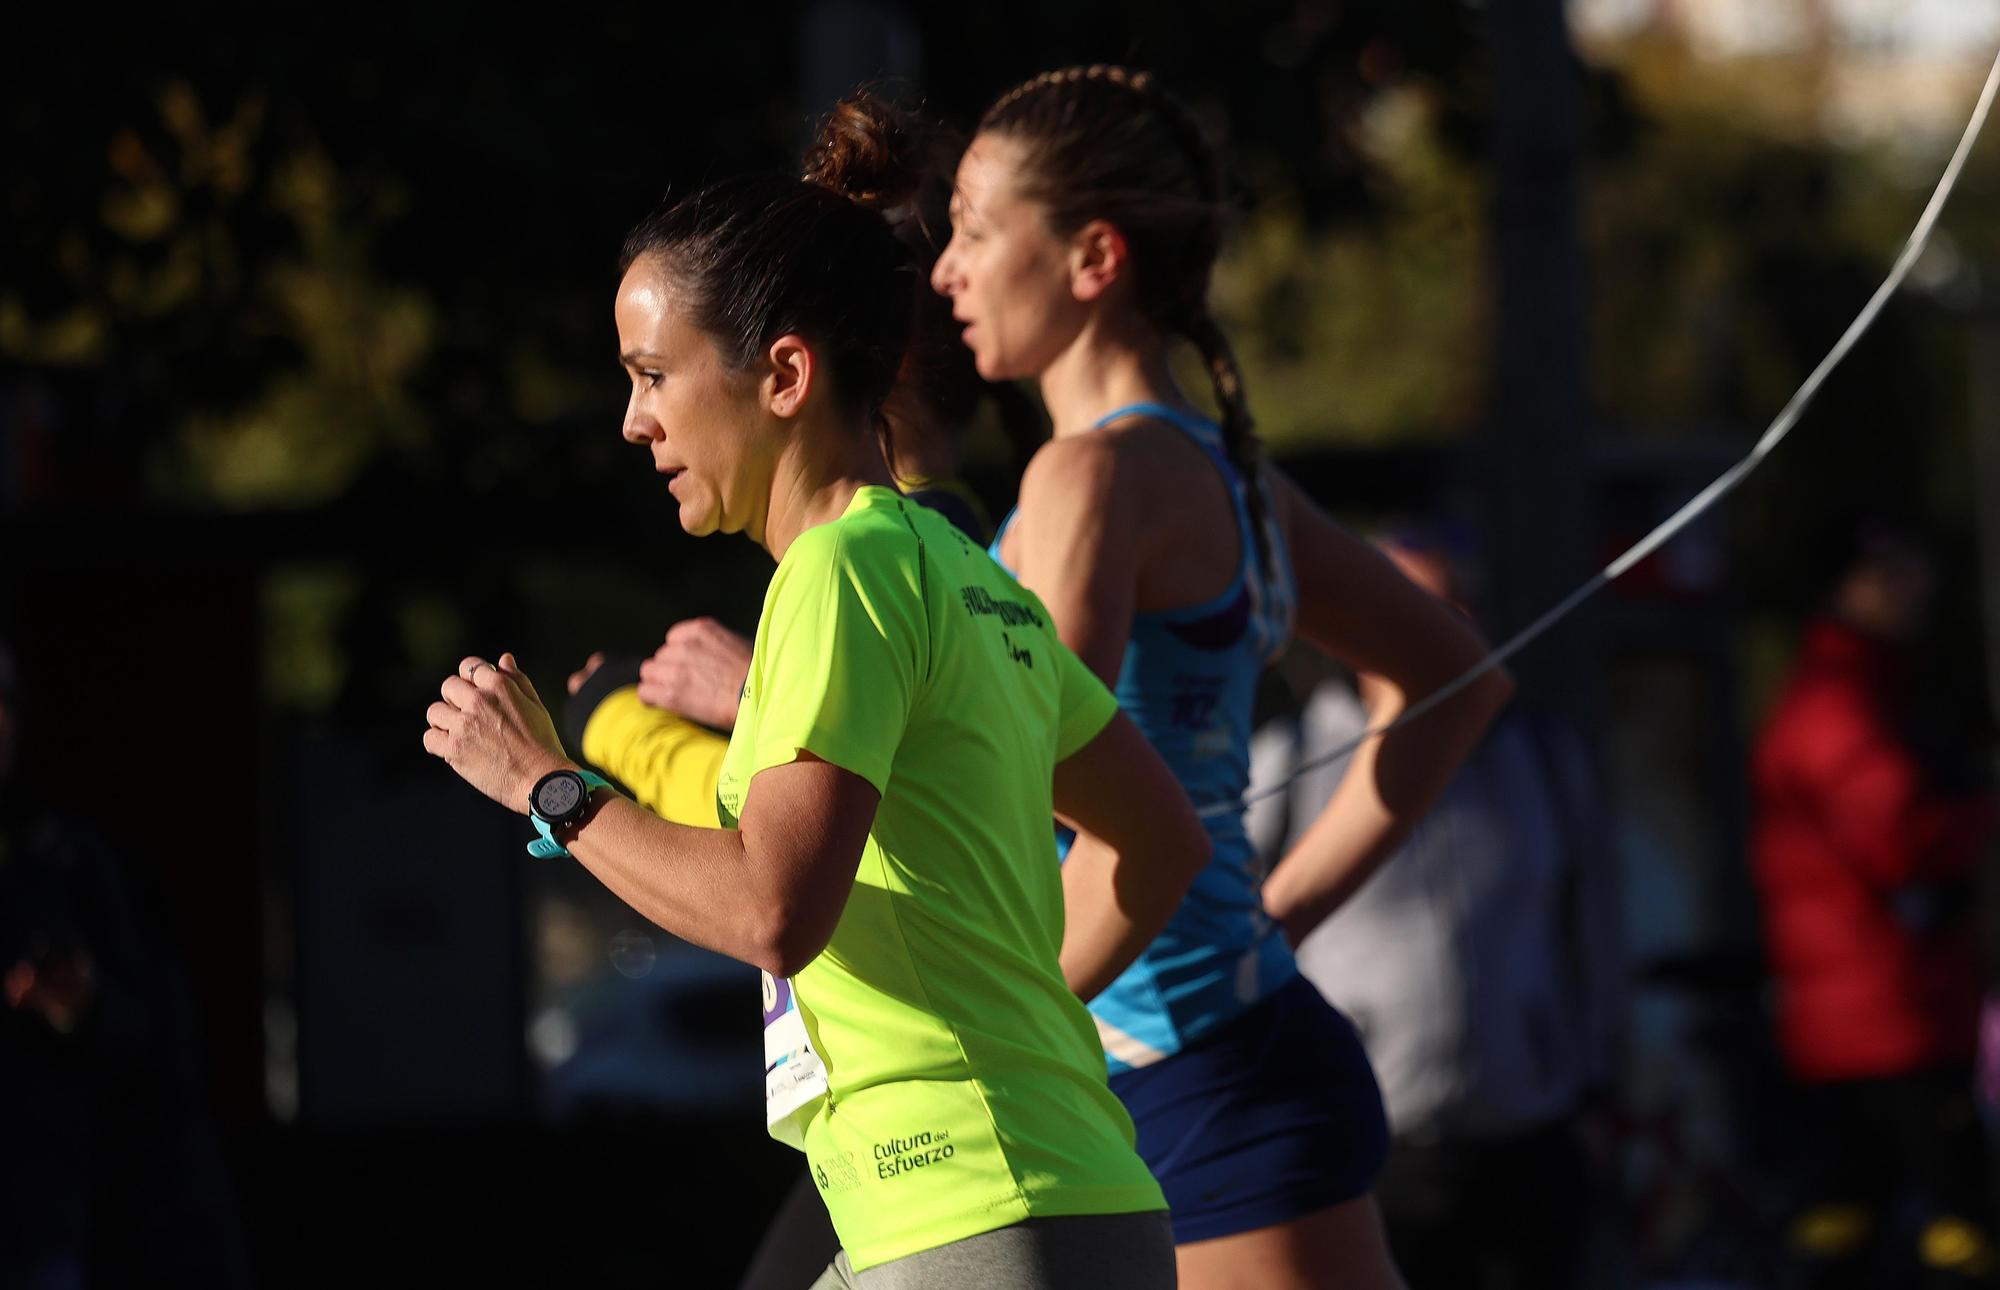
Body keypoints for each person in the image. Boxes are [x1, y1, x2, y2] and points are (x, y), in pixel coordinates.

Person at [424, 128, 1213, 1286]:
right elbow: (1159, 839)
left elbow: (768, 910)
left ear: (783, 376)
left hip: (971, 1220)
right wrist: (1009, 1014)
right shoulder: (966, 574)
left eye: (652, 376)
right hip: (1065, 1199)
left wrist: (545, 784)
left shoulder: (838, 574)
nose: (633, 422)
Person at [920, 64, 1515, 1289]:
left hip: (1189, 1082)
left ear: (1093, 257)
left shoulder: (1087, 480)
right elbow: (1455, 678)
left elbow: (1029, 782)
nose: (944, 271)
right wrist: (1273, 917)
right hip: (1218, 1055)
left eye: (975, 232)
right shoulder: (1225, 472)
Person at [1246, 528, 1619, 1290]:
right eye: (1408, 604)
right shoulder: (1287, 760)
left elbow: (1593, 926)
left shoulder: (1540, 755)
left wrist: (1602, 1083)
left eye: (1451, 604)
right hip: (1373, 1138)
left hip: (1530, 1126)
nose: (1435, 624)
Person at [1750, 521, 1998, 1289]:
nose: (1913, 591)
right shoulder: (1836, 704)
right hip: (1884, 1017)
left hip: (1885, 1010)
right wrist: (1985, 812)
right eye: (1888, 575)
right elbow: (1899, 837)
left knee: (1852, 1209)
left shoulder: (1871, 689)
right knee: (1961, 1225)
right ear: (1840, 590)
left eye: (1914, 571)